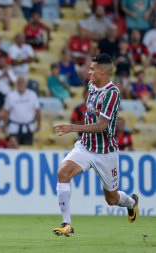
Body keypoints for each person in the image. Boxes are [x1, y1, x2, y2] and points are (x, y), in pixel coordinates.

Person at [52, 54, 139, 237]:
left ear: (102, 71)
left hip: (106, 153)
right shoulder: (91, 86)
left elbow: (102, 126)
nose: (88, 71)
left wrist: (72, 127)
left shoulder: (112, 93)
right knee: (63, 172)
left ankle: (131, 202)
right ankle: (67, 224)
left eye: (92, 69)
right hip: (85, 146)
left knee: (112, 199)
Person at [4, 76, 41, 145]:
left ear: (26, 84)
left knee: (27, 149)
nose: (21, 84)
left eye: (22, 82)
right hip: (14, 128)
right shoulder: (10, 95)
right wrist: (5, 126)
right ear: (17, 84)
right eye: (19, 82)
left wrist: (39, 125)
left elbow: (37, 111)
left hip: (28, 127)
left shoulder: (32, 95)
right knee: (13, 148)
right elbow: (6, 112)